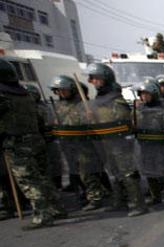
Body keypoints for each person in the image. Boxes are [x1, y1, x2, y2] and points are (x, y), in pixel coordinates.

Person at [0, 58, 65, 229]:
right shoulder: (25, 94)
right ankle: (57, 208)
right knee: (43, 177)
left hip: (16, 143)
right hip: (36, 139)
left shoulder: (3, 97)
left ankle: (43, 215)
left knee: (29, 181)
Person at [86, 62, 148, 217]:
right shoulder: (99, 99)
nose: (93, 81)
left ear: (105, 78)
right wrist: (92, 118)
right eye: (92, 78)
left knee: (128, 173)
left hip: (120, 143)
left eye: (96, 78)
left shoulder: (115, 99)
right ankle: (119, 201)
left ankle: (138, 204)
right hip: (106, 142)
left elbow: (122, 120)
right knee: (114, 173)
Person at [50, 75, 106, 210]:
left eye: (64, 90)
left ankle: (95, 197)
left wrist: (91, 117)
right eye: (58, 91)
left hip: (84, 144)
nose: (61, 93)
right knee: (76, 172)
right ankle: (86, 194)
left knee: (88, 172)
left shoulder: (83, 105)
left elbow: (96, 123)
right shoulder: (59, 106)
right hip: (68, 144)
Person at [134, 81, 164, 207]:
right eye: (142, 94)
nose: (144, 97)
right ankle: (155, 196)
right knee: (149, 171)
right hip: (145, 145)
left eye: (147, 94)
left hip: (162, 145)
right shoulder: (139, 110)